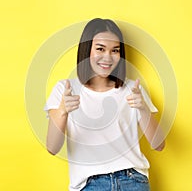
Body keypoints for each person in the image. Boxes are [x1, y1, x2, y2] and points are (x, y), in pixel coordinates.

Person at [44, 18, 165, 191]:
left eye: (115, 50)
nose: (107, 57)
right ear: (87, 50)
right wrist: (63, 111)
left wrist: (143, 109)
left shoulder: (132, 89)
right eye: (100, 49)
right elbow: (52, 148)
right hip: (90, 184)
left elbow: (159, 145)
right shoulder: (65, 89)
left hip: (132, 181)